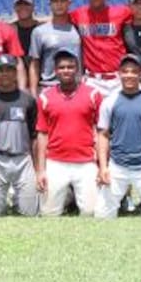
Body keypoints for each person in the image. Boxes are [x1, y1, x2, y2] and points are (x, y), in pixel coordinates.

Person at [94, 54, 141, 219]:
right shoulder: (109, 101)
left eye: (134, 71)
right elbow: (103, 135)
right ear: (119, 74)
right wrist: (103, 167)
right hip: (117, 165)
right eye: (125, 71)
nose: (129, 75)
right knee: (101, 215)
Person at [35, 49, 103, 216]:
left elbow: (102, 132)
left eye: (70, 67)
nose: (66, 71)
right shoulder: (45, 97)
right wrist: (41, 170)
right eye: (62, 67)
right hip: (55, 162)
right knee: (49, 214)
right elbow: (42, 134)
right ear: (55, 71)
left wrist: (102, 165)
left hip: (86, 162)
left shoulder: (93, 94)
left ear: (77, 69)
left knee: (91, 212)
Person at [0, 54, 39, 217]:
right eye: (0, 70)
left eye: (9, 70)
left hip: (22, 159)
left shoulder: (28, 101)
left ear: (16, 72)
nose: (4, 74)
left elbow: (34, 136)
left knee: (30, 213)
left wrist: (36, 165)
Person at [70, 0, 133, 97]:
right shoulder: (78, 14)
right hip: (92, 80)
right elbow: (58, 20)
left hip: (117, 78)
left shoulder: (122, 12)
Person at [27, 0, 82, 93]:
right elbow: (34, 64)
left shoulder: (78, 28)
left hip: (76, 87)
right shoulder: (39, 32)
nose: (59, 4)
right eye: (55, 1)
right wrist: (33, 92)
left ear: (69, 3)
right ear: (50, 4)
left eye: (62, 0)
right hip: (49, 87)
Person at [12, 0, 40, 71]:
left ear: (33, 6)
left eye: (26, 4)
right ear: (14, 7)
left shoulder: (42, 30)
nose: (22, 7)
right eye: (19, 4)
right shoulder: (10, 30)